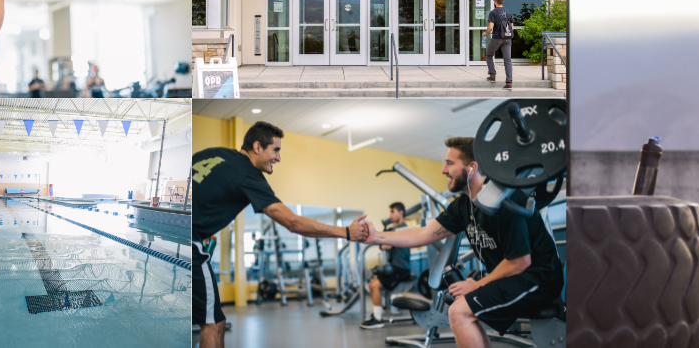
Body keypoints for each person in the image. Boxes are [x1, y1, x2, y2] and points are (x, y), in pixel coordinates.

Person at [365, 137, 564, 348]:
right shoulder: (463, 205)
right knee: (460, 309)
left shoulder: (505, 200)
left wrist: (476, 284)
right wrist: (376, 236)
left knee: (459, 312)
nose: (443, 169)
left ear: (472, 168)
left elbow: (519, 262)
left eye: (449, 163)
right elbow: (423, 233)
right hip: (515, 279)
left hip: (538, 279)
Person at [191, 121, 371, 348]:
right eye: (275, 150)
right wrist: (346, 232)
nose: (278, 158)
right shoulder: (249, 174)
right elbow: (293, 222)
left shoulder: (215, 153)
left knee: (216, 320)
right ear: (257, 147)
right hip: (189, 242)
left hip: (174, 232)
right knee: (213, 323)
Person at [360, 202, 417, 329]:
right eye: (390, 212)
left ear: (401, 213)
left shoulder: (401, 227)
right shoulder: (396, 227)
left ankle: (378, 319)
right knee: (373, 282)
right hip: (397, 267)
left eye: (392, 211)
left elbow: (386, 245)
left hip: (401, 268)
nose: (390, 215)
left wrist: (376, 240)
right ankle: (377, 315)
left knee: (374, 285)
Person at [484, 0, 514, 91]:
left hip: (497, 38)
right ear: (503, 1)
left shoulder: (493, 13)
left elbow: (490, 27)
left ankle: (492, 76)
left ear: (495, 1)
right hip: (507, 38)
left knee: (489, 55)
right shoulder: (508, 12)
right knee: (507, 60)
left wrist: (485, 32)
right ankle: (509, 83)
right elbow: (512, 27)